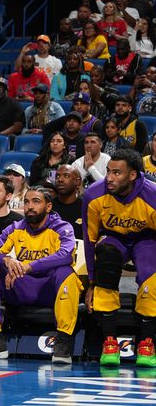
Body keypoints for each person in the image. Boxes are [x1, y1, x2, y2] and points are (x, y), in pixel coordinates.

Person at [0, 186, 81, 364]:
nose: (30, 206)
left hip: (49, 289)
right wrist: (6, 261)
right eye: (26, 202)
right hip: (21, 287)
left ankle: (63, 340)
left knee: (67, 273)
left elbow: (66, 255)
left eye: (36, 201)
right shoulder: (15, 228)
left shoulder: (62, 227)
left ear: (48, 207)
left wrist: (28, 266)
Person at [83, 149, 156, 366]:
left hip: (147, 238)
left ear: (132, 175)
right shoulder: (93, 195)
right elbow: (89, 240)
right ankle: (109, 342)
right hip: (114, 238)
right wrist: (91, 282)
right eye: (108, 171)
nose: (109, 178)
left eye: (117, 173)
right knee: (105, 257)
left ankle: (146, 343)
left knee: (151, 277)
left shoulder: (153, 195)